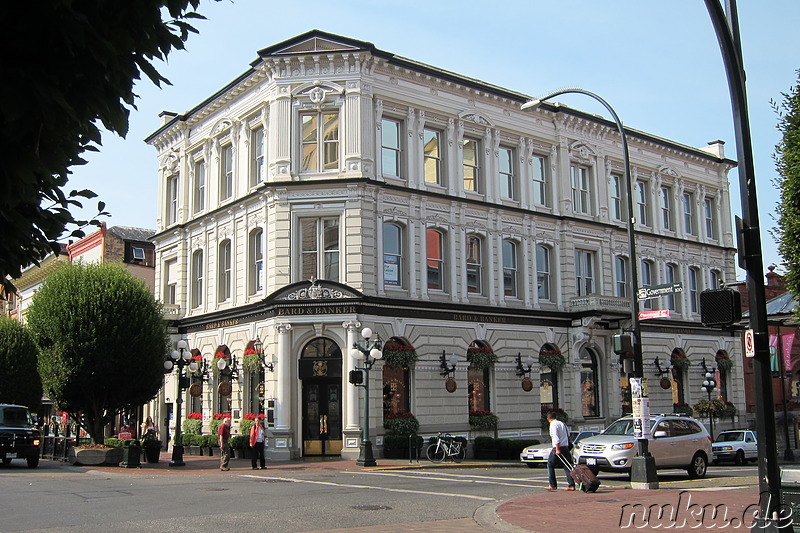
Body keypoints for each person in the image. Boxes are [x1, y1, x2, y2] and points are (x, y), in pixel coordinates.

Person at [546, 411, 575, 491]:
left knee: (550, 464)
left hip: (558, 447)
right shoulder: (562, 424)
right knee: (567, 466)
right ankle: (571, 485)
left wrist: (557, 449)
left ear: (548, 419)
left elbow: (556, 437)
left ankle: (553, 485)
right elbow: (568, 434)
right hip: (565, 447)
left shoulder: (553, 425)